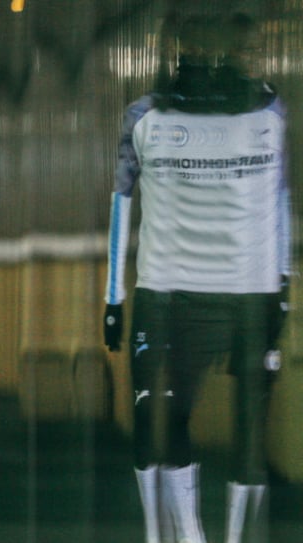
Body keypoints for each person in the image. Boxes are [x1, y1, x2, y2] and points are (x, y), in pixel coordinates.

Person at [102, 13, 290, 543]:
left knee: (247, 434)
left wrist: (282, 285)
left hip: (246, 291)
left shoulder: (271, 112)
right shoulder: (144, 116)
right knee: (163, 421)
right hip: (171, 290)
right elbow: (121, 199)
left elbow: (280, 197)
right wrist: (114, 298)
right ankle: (181, 536)